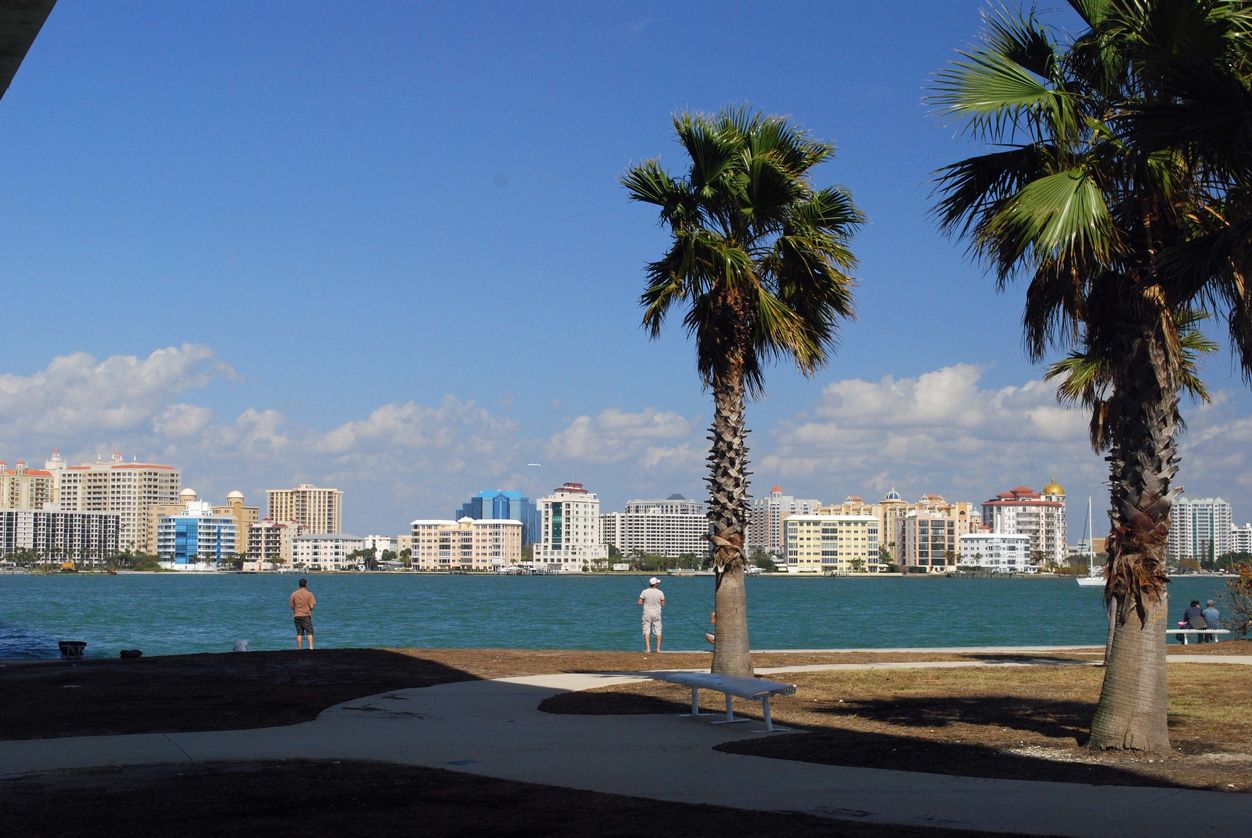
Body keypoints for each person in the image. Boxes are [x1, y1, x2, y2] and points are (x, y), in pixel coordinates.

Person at [638, 577, 664, 653]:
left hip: (647, 613)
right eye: (657, 583)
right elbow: (663, 604)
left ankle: (648, 649)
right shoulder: (660, 592)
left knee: (646, 630)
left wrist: (645, 602)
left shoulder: (644, 592)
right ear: (655, 584)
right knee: (658, 630)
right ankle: (658, 649)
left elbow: (639, 602)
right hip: (657, 613)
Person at [290, 577, 317, 650]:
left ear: (299, 585)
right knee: (309, 632)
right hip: (306, 615)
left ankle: (299, 649)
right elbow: (312, 605)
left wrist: (296, 610)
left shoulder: (294, 594)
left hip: (297, 615)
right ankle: (311, 648)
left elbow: (292, 605)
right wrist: (310, 609)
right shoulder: (309, 594)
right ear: (306, 584)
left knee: (299, 633)